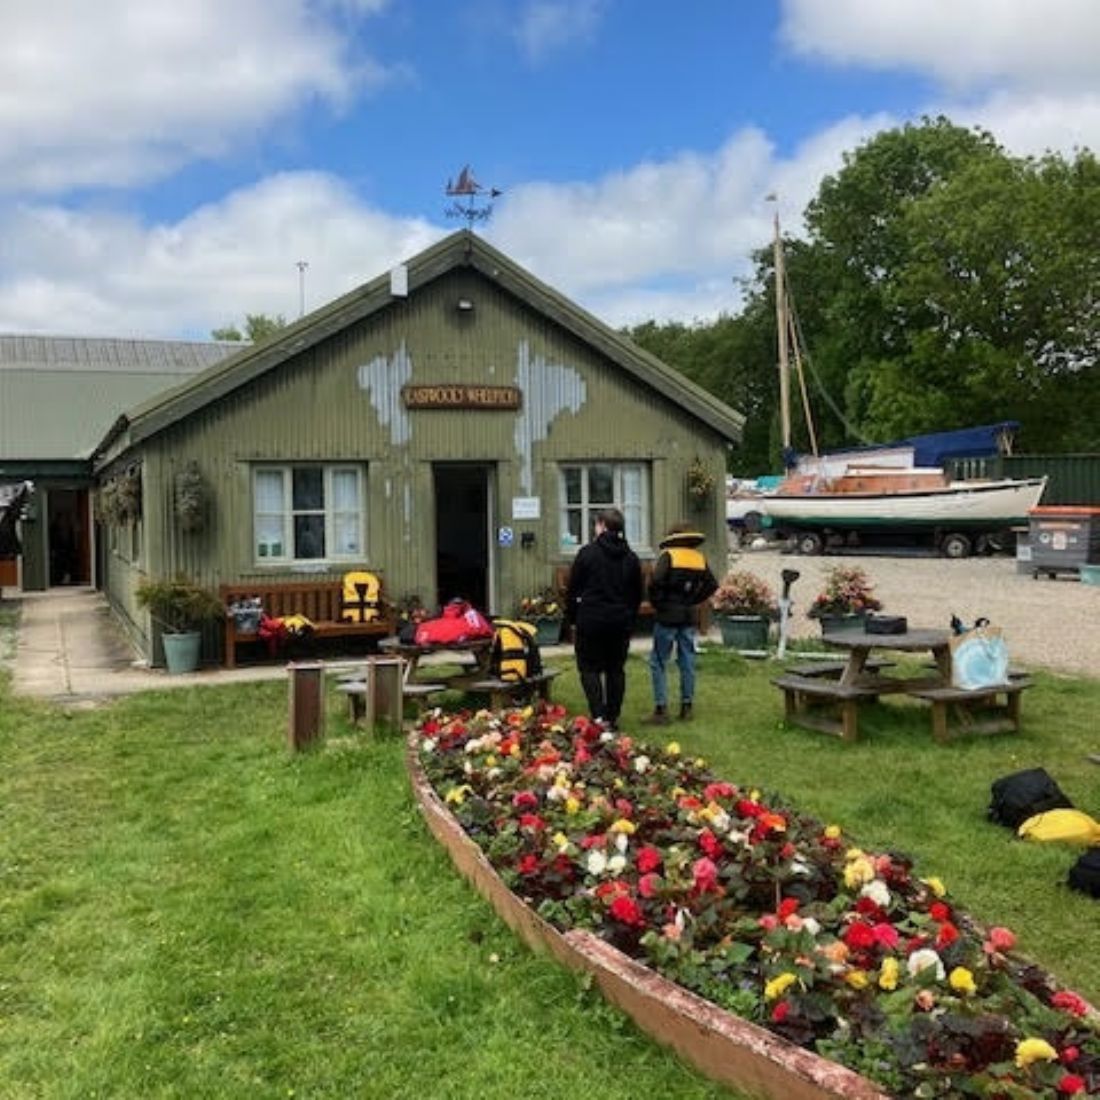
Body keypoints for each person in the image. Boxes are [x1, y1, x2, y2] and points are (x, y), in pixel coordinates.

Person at [564, 508, 642, 730]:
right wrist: (630, 619)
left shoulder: (587, 553)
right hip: (620, 621)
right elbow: (637, 594)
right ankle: (612, 716)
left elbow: (573, 589)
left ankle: (598, 715)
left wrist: (572, 618)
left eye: (596, 524)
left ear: (602, 526)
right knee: (615, 669)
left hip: (591, 620)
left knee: (589, 668)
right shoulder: (631, 557)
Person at [643, 524, 718, 724]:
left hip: (667, 615)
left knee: (658, 661)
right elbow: (712, 584)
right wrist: (694, 599)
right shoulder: (698, 558)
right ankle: (686, 706)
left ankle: (661, 708)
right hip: (688, 616)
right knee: (687, 661)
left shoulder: (668, 555)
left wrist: (658, 604)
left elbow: (655, 582)